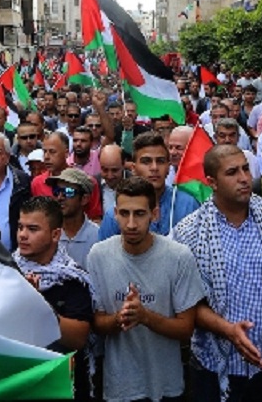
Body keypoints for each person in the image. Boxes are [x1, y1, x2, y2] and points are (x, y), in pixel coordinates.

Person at [171, 145, 262, 401]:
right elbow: (184, 300)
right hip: (213, 365)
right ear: (212, 182)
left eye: (246, 169)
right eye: (232, 172)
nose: (244, 178)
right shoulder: (189, 233)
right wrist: (226, 329)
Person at [87, 176, 205, 402]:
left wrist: (144, 316)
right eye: (124, 214)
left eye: (140, 214)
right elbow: (97, 323)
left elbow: (186, 329)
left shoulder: (179, 256)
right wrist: (120, 318)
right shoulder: (98, 255)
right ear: (115, 214)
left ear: (155, 214)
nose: (131, 224)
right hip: (119, 387)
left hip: (167, 386)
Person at [14, 196, 94, 399]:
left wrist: (38, 305)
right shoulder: (7, 272)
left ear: (55, 234)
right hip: (17, 380)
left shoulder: (72, 278)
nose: (23, 235)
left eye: (32, 229)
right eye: (20, 227)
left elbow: (77, 338)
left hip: (59, 383)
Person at [98, 132, 199, 240]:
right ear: (133, 168)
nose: (154, 168)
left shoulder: (188, 205)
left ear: (168, 167)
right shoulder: (117, 213)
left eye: (160, 161)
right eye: (146, 162)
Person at [31, 132, 103, 220]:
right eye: (44, 151)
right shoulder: (37, 183)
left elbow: (95, 218)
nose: (46, 157)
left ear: (66, 153)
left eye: (52, 152)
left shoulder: (87, 182)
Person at [45, 168, 99, 269]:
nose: (60, 197)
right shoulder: (47, 234)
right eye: (56, 191)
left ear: (84, 199)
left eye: (68, 192)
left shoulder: (97, 237)